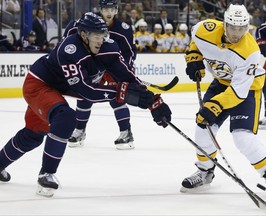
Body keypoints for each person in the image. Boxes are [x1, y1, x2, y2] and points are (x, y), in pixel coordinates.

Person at [0, 13, 171, 197]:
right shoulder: (69, 50)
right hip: (39, 84)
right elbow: (86, 92)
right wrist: (121, 93)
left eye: (103, 35)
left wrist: (153, 101)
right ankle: (46, 174)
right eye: (96, 36)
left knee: (32, 134)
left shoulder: (109, 48)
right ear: (83, 35)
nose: (101, 40)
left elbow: (129, 78)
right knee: (65, 118)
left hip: (57, 91)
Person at [181, 4, 266, 196]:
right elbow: (195, 40)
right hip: (220, 83)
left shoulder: (250, 51)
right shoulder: (206, 28)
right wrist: (193, 56)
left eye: (242, 28)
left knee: (242, 137)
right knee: (203, 127)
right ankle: (205, 172)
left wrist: (214, 106)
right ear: (225, 24)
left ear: (247, 27)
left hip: (246, 90)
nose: (237, 33)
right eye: (233, 28)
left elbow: (238, 92)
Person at [68, 0, 138, 150]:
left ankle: (126, 132)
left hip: (113, 66)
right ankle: (80, 130)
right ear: (100, 9)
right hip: (94, 65)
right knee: (84, 96)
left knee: (118, 97)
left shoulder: (123, 29)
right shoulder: (89, 23)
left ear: (116, 10)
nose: (108, 12)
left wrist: (125, 68)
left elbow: (129, 51)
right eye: (105, 8)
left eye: (111, 9)